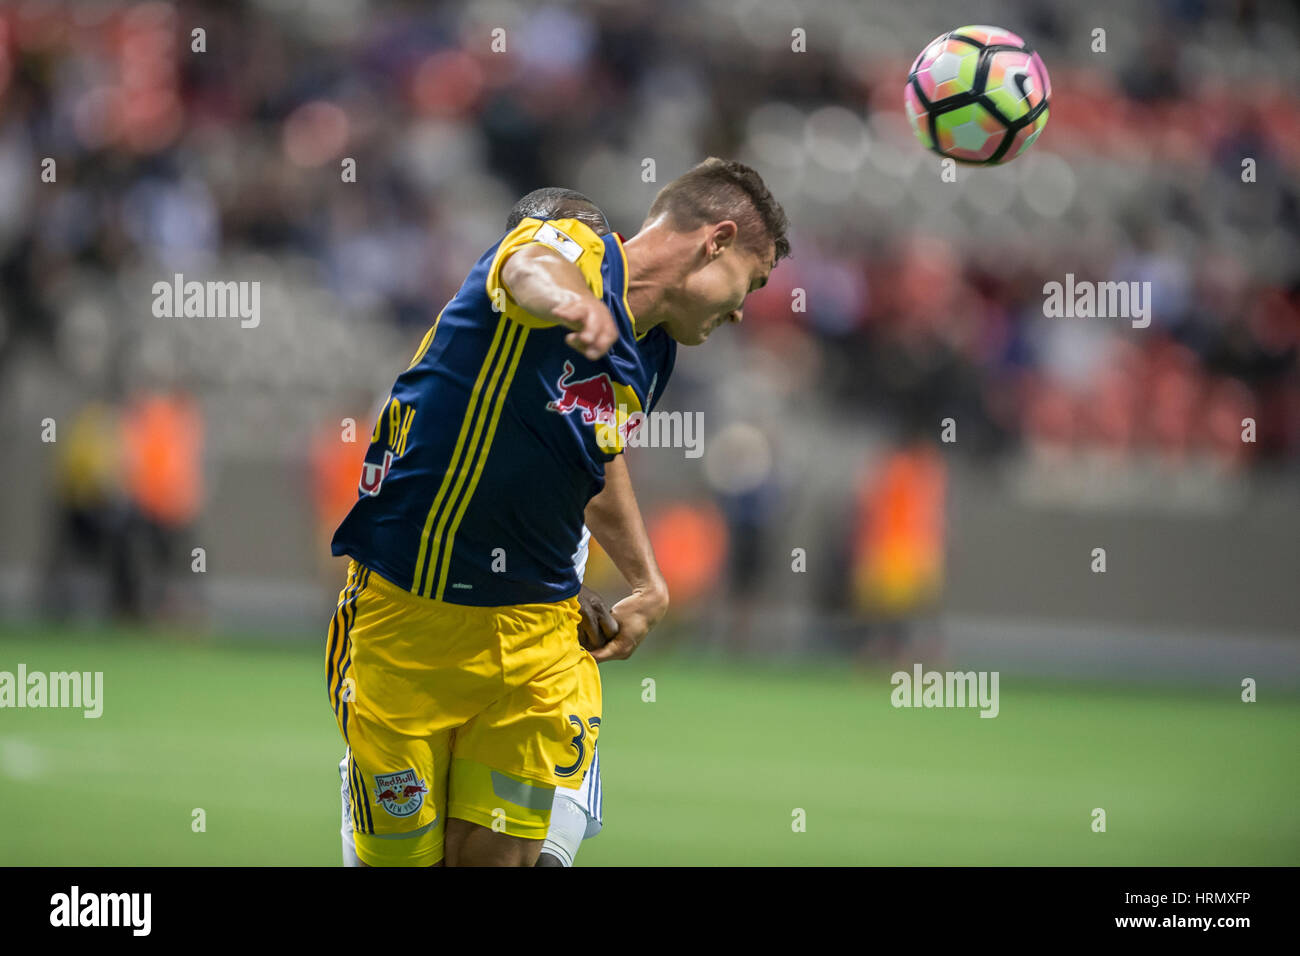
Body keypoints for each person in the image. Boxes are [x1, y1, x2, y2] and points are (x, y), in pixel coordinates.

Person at [326, 158, 789, 866]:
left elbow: (594, 459)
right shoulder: (579, 241)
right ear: (716, 241)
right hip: (407, 613)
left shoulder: (654, 355)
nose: (738, 312)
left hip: (537, 632)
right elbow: (528, 270)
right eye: (750, 285)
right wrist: (573, 304)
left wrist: (646, 580)